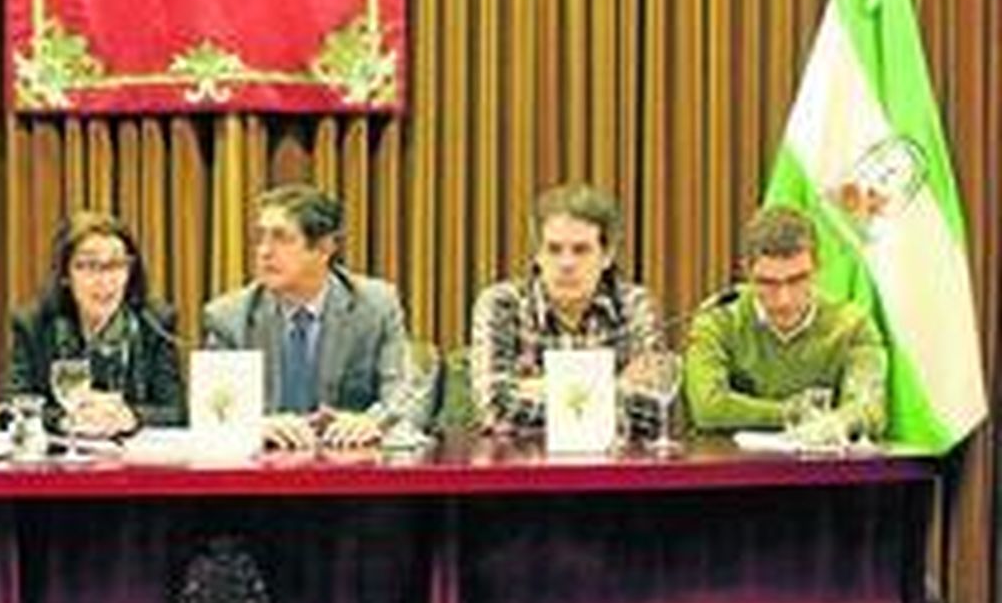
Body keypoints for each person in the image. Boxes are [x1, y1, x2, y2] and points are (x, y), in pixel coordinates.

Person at [202, 183, 415, 450]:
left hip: (349, 460)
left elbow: (401, 396)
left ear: (324, 248)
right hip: (264, 464)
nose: (264, 251)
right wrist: (256, 425)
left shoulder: (375, 306)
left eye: (281, 238)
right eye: (260, 238)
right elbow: (215, 413)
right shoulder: (229, 316)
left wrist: (371, 422)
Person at [464, 183, 663, 436]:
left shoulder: (634, 305)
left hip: (612, 459)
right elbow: (495, 409)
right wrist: (613, 387)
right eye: (554, 249)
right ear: (537, 254)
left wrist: (537, 387)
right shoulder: (501, 304)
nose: (566, 263)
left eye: (581, 250)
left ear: (607, 256)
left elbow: (655, 411)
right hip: (521, 459)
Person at [684, 205, 887, 440]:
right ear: (747, 272)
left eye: (798, 280)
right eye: (768, 283)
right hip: (732, 461)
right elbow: (708, 409)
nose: (784, 300)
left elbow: (869, 410)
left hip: (820, 461)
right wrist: (798, 414)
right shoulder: (718, 321)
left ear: (817, 268)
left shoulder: (852, 326)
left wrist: (836, 423)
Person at [6, 211, 183, 436]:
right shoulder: (34, 324)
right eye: (90, 265)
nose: (104, 280)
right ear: (65, 274)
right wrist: (65, 420)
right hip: (59, 456)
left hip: (134, 455)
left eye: (116, 265)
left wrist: (131, 417)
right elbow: (10, 408)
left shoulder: (155, 323)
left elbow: (177, 411)